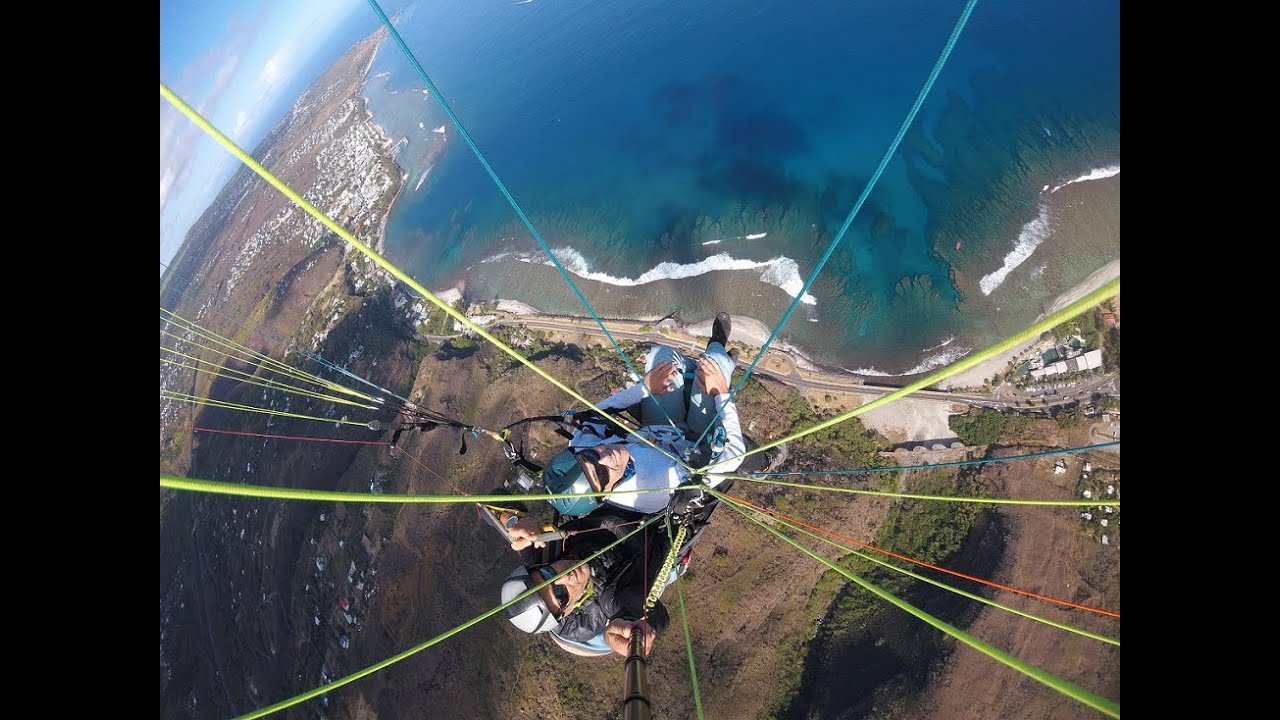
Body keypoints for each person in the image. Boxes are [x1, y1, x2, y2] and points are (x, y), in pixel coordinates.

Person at [556, 312, 745, 516]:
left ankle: (702, 371)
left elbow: (599, 413)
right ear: (604, 496)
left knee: (660, 356)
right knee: (715, 362)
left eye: (592, 455)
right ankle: (717, 348)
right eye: (601, 473)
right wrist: (721, 392)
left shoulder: (580, 447)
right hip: (695, 441)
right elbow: (734, 455)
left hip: (657, 426)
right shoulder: (654, 486)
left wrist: (644, 388)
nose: (606, 457)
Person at [497, 505, 671, 656]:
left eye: (549, 575)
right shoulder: (602, 608)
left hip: (619, 507)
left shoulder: (540, 554)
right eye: (560, 594)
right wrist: (638, 627)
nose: (565, 577)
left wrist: (513, 520)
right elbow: (646, 612)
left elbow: (493, 505)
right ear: (567, 612)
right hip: (661, 534)